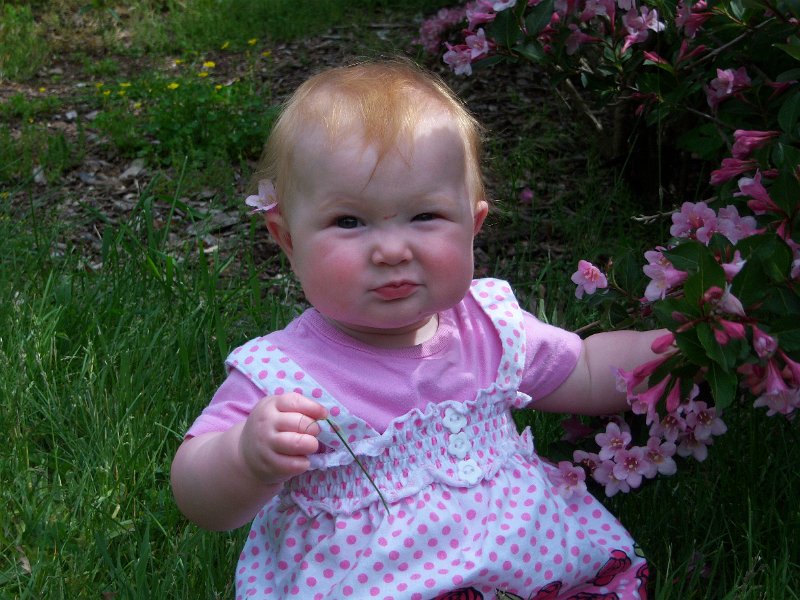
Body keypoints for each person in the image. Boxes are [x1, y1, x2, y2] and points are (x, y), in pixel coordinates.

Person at [171, 59, 661, 600]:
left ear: (473, 225)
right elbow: (196, 493)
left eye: (425, 216)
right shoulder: (282, 374)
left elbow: (586, 369)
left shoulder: (489, 327)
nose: (391, 250)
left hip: (530, 571)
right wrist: (244, 458)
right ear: (288, 239)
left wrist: (671, 353)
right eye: (349, 222)